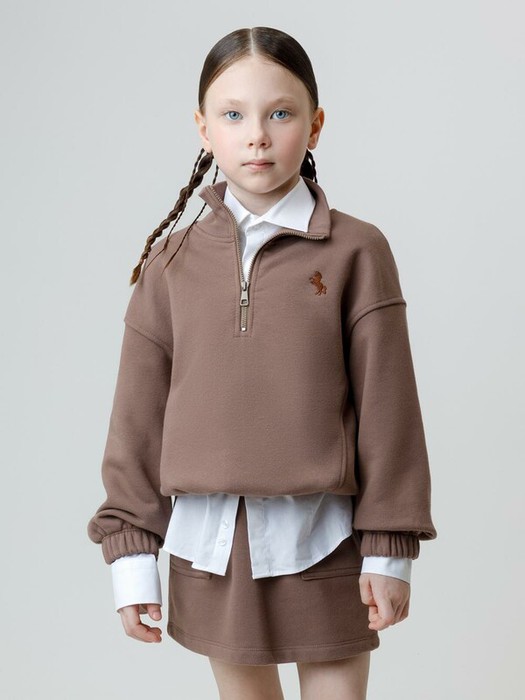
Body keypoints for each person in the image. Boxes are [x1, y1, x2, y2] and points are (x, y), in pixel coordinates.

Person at [87, 26, 437, 700]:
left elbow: (389, 411)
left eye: (279, 113)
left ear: (315, 126)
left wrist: (389, 549)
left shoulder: (357, 252)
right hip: (211, 551)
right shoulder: (170, 263)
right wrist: (131, 557)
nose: (256, 136)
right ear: (202, 128)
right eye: (232, 115)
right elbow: (136, 423)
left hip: (326, 543)